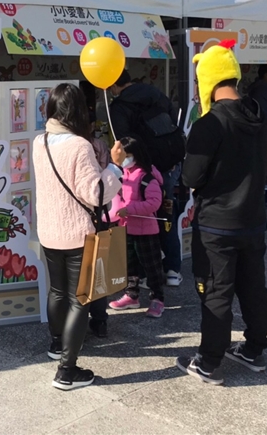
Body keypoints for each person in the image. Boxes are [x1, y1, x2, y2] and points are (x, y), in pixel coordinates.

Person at [176, 41, 267, 386]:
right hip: (253, 219)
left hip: (217, 225)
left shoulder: (210, 123)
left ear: (208, 79)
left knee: (216, 292)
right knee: (253, 287)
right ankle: (255, 348)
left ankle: (209, 362)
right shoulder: (261, 118)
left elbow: (191, 177)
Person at [33, 83, 125, 391]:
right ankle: (66, 371)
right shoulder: (80, 146)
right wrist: (115, 167)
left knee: (57, 292)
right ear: (78, 111)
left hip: (49, 231)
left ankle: (56, 344)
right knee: (80, 300)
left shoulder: (39, 142)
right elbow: (96, 194)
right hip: (76, 233)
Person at [109, 70, 183, 287]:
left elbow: (124, 141)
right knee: (166, 214)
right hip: (169, 164)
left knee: (141, 218)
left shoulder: (119, 106)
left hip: (142, 169)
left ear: (113, 85)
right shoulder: (154, 92)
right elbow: (173, 118)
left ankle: (143, 273)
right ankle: (172, 269)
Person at [107, 137, 166, 318]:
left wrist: (129, 209)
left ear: (136, 155)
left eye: (126, 156)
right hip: (127, 227)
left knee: (152, 266)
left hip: (146, 229)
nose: (123, 160)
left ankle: (158, 298)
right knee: (129, 265)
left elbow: (154, 203)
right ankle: (131, 295)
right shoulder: (123, 174)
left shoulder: (147, 176)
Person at [88, 111, 111, 338]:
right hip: (99, 212)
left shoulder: (70, 146)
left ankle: (82, 321)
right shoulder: (99, 145)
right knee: (98, 269)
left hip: (80, 214)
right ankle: (100, 320)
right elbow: (105, 175)